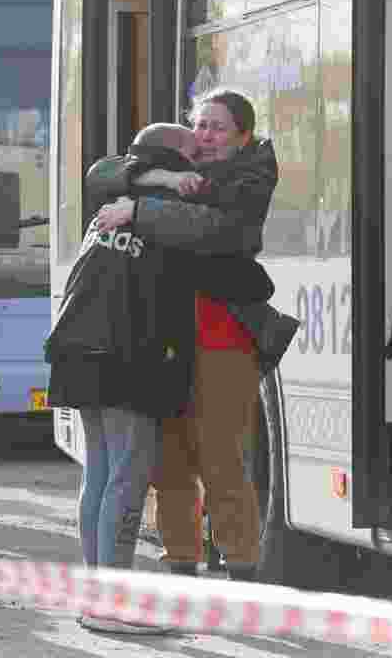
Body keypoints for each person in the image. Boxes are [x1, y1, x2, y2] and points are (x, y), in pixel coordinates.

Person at [47, 121, 275, 635]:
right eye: (192, 150)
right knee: (125, 477)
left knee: (100, 474)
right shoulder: (165, 212)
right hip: (126, 356)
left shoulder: (115, 194)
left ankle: (97, 595)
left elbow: (107, 170)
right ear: (171, 159)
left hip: (77, 350)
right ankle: (114, 605)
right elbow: (221, 234)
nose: (199, 159)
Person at [95, 88, 292, 585]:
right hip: (166, 337)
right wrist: (161, 176)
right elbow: (99, 174)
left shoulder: (251, 175)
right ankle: (180, 563)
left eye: (217, 127)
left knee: (222, 458)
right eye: (200, 124)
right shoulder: (176, 172)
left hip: (223, 338)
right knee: (170, 459)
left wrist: (141, 210)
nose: (205, 135)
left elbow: (218, 231)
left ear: (243, 136)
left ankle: (242, 570)